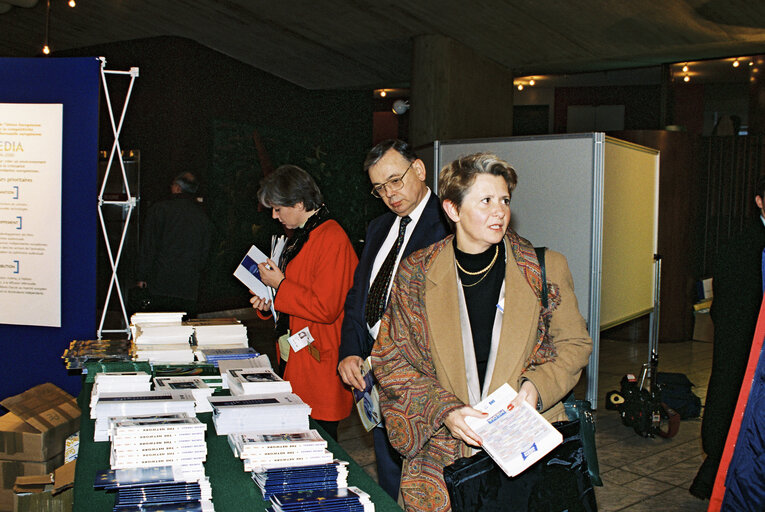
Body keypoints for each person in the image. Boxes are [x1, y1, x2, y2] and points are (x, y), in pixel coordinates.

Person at [371, 152, 593, 511]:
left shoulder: (544, 267)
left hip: (524, 447)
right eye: (486, 200)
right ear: (453, 210)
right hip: (442, 455)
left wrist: (535, 387)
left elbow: (574, 344)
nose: (499, 211)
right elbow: (390, 359)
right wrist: (445, 410)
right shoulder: (415, 274)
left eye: (504, 200)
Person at [337, 139, 450, 499]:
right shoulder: (378, 228)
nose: (389, 194)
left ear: (419, 170)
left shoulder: (451, 225)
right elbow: (360, 296)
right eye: (379, 188)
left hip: (423, 377)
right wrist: (350, 351)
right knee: (388, 473)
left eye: (395, 180)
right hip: (376, 373)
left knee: (432, 482)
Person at [250, 164, 358, 440]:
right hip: (298, 356)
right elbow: (298, 292)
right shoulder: (303, 234)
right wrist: (270, 303)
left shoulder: (331, 237)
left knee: (319, 440)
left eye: (278, 208)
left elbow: (326, 307)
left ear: (299, 203)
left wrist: (280, 286)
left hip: (319, 360)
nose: (274, 216)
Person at [690, 175, 765, 500]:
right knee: (733, 406)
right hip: (744, 348)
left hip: (747, 346)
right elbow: (729, 306)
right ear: (759, 201)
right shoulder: (743, 245)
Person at [135, 172, 213, 316]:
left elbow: (149, 245)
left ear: (177, 188)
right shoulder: (202, 215)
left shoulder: (159, 209)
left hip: (161, 282)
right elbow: (205, 252)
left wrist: (142, 275)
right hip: (189, 285)